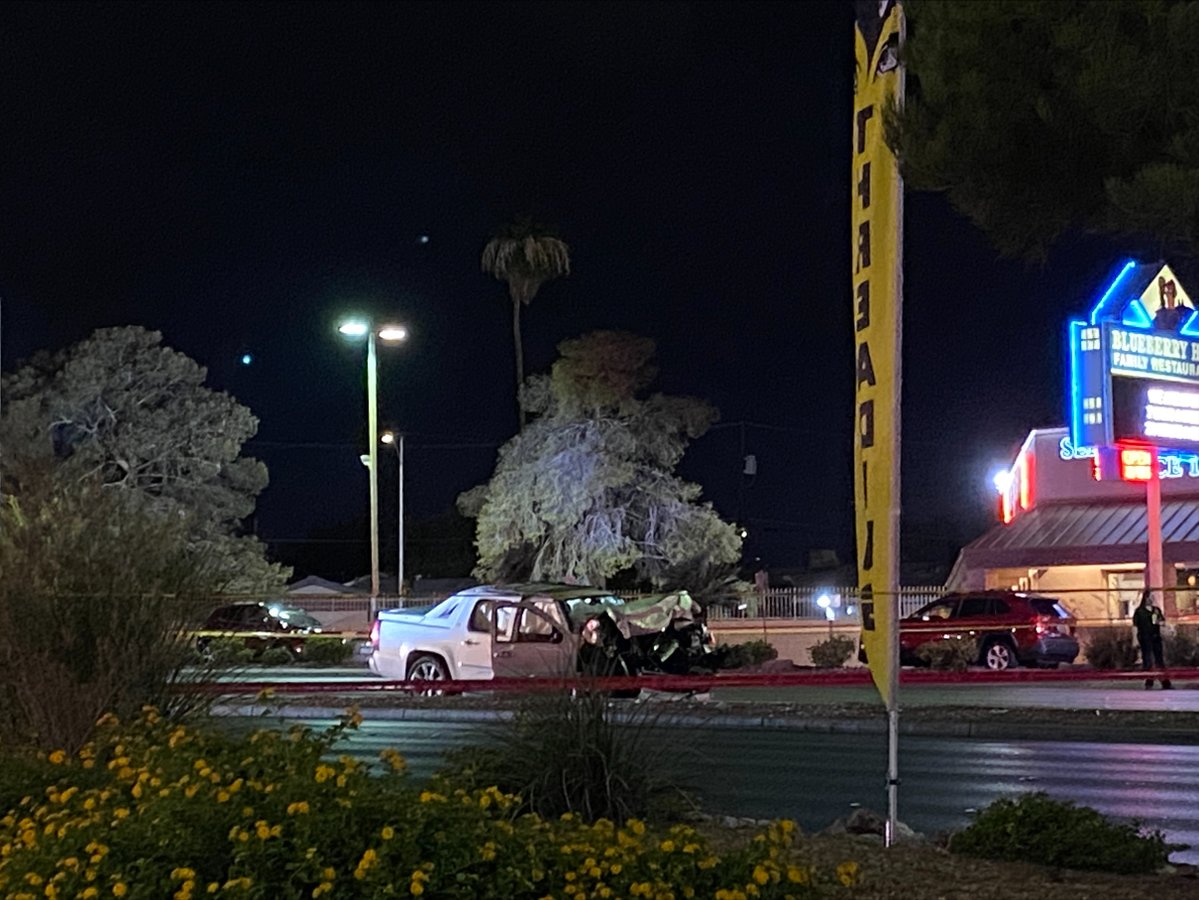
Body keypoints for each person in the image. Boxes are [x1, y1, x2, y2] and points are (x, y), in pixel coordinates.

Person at [1133, 590, 1173, 689]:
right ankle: (1149, 682)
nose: (1152, 599)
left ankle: (1165, 683)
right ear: (1145, 598)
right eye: (1150, 597)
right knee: (1148, 660)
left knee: (1160, 660)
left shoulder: (1156, 610)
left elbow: (1162, 621)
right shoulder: (1139, 611)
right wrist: (1135, 639)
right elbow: (1135, 626)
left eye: (1153, 597)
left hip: (1156, 638)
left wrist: (1161, 624)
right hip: (1145, 638)